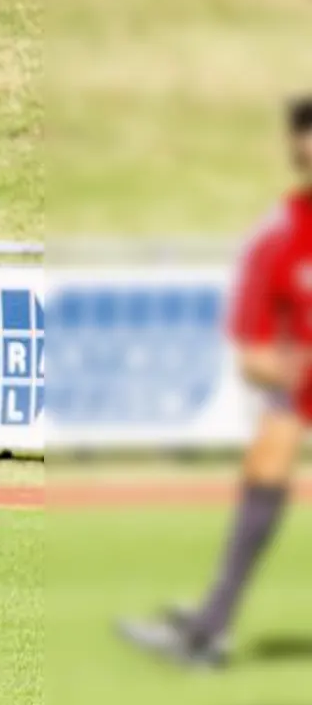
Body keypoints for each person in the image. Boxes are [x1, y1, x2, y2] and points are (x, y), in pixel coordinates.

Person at [119, 95, 312, 667]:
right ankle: (211, 626)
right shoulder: (280, 239)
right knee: (268, 458)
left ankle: (209, 625)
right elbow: (253, 352)